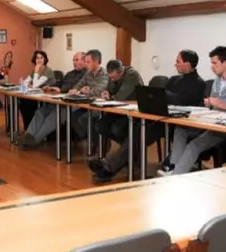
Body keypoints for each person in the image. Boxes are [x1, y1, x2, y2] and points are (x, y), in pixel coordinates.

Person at [88, 50, 206, 184]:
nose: (175, 64)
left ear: (188, 64)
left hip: (180, 124)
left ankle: (109, 167)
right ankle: (110, 163)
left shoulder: (199, 83)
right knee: (138, 132)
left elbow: (180, 100)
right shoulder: (174, 80)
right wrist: (166, 97)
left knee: (140, 135)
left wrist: (167, 96)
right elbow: (165, 97)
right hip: (162, 119)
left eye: (178, 61)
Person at [158, 46, 226, 176]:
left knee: (194, 145)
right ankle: (172, 167)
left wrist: (225, 105)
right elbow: (213, 104)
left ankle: (174, 176)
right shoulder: (217, 81)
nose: (212, 67)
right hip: (211, 121)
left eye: (214, 63)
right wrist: (209, 105)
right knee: (180, 129)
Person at [20, 51, 86, 148]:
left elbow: (75, 86)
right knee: (41, 111)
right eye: (73, 60)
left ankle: (34, 140)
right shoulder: (70, 73)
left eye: (76, 60)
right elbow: (61, 82)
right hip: (59, 99)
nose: (74, 62)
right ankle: (28, 136)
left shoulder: (86, 75)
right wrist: (51, 86)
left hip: (73, 104)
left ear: (84, 61)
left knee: (54, 116)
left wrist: (60, 89)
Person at [94, 60, 144, 147]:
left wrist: (110, 97)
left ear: (120, 73)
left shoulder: (131, 75)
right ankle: (126, 148)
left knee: (116, 129)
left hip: (132, 112)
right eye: (110, 77)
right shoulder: (113, 75)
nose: (111, 79)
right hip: (118, 110)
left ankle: (130, 149)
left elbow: (120, 96)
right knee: (100, 125)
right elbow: (110, 90)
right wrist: (106, 93)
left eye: (113, 77)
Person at [68, 49, 108, 141]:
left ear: (97, 62)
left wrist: (85, 91)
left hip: (100, 106)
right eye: (85, 61)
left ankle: (99, 142)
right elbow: (79, 85)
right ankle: (90, 139)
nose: (85, 64)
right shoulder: (88, 73)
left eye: (88, 62)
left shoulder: (104, 74)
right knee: (72, 114)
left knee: (84, 118)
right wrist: (75, 90)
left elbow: (99, 90)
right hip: (87, 103)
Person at [18, 51, 54, 130]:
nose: (39, 60)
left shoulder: (47, 70)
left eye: (41, 58)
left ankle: (30, 130)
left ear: (45, 59)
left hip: (47, 99)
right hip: (38, 97)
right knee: (23, 103)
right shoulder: (34, 71)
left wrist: (36, 72)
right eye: (37, 58)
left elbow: (35, 85)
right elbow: (24, 83)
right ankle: (28, 129)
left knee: (27, 104)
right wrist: (29, 83)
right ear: (34, 60)